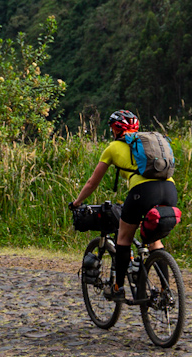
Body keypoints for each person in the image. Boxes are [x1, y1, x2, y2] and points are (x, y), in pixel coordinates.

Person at [70, 110, 180, 288]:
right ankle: (165, 290)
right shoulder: (148, 145)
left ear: (115, 129)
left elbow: (92, 183)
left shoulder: (113, 147)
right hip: (169, 190)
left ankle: (118, 287)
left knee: (123, 238)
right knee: (155, 242)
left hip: (143, 193)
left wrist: (77, 202)